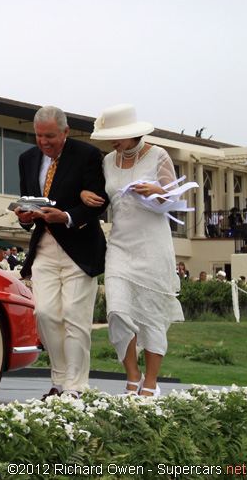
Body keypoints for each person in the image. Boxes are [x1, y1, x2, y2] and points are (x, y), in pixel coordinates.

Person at [80, 104, 184, 398]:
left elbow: (174, 198)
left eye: (118, 135)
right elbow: (100, 197)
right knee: (116, 310)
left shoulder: (158, 155)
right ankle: (132, 375)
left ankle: (150, 382)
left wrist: (159, 192)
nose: (113, 141)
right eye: (109, 136)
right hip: (120, 246)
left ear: (132, 133)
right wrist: (83, 194)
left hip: (153, 246)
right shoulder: (108, 161)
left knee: (151, 315)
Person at [17, 105, 108, 399]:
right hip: (43, 246)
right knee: (44, 313)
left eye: (51, 136)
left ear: (65, 132)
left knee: (74, 315)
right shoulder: (27, 159)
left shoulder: (88, 155)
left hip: (78, 248)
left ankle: (74, 386)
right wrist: (24, 216)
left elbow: (99, 201)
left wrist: (67, 216)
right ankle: (58, 379)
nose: (44, 142)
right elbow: (27, 202)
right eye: (39, 136)